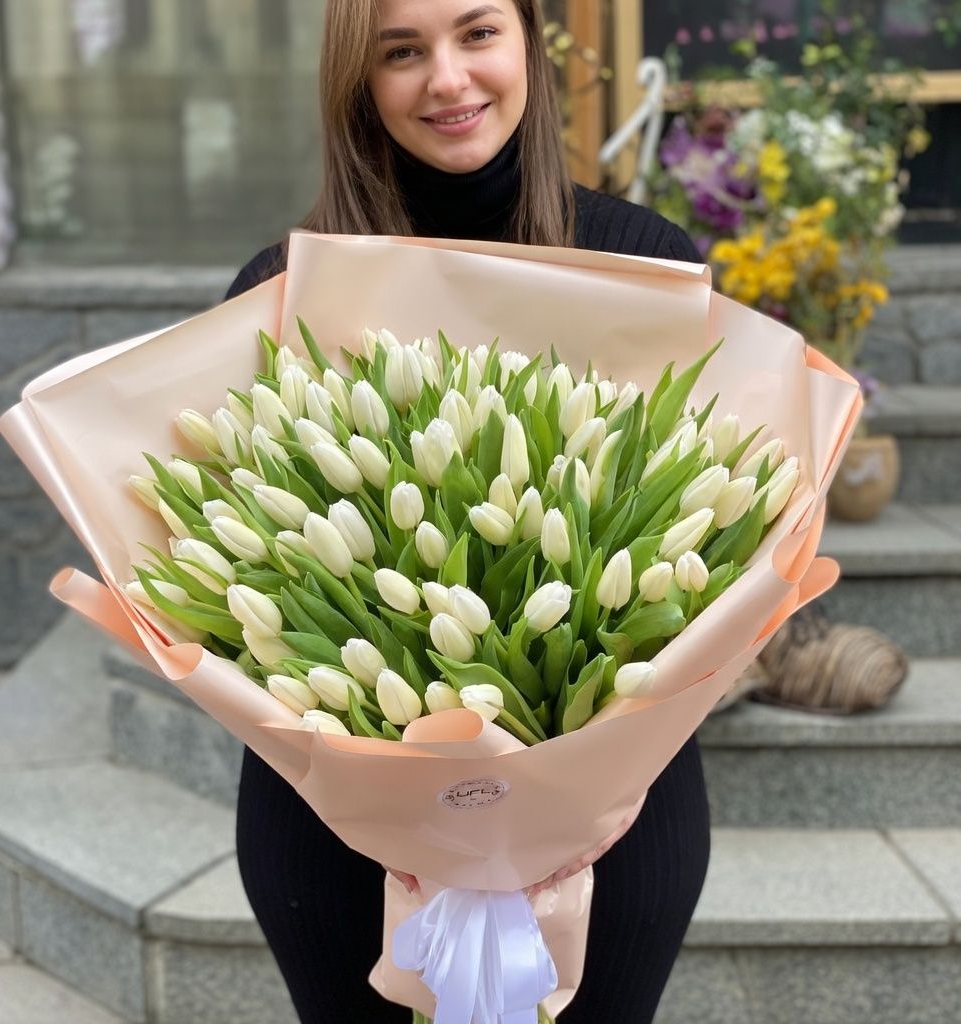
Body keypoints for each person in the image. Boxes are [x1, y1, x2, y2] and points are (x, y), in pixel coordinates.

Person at [225, 1, 709, 1021]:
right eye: (401, 51)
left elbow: (721, 547)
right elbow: (234, 582)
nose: (446, 78)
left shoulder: (643, 262)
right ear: (358, 78)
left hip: (609, 830)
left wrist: (597, 779)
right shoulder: (284, 291)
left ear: (531, 39)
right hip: (339, 840)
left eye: (477, 32)